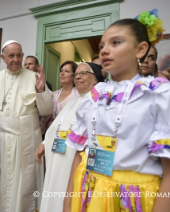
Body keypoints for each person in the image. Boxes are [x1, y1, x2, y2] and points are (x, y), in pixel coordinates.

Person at [64, 12, 170, 212]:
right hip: (88, 191)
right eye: (102, 46)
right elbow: (78, 156)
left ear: (140, 49)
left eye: (116, 42)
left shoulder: (159, 93)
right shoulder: (96, 94)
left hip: (132, 200)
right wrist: (68, 204)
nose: (105, 50)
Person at [0, 40, 53, 212]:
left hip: (27, 138)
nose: (16, 59)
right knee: (1, 179)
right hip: (0, 140)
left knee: (25, 182)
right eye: (11, 56)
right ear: (3, 57)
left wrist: (41, 90)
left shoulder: (34, 77)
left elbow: (47, 110)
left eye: (19, 55)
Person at [35, 62, 104, 212]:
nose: (78, 76)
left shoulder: (98, 102)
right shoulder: (74, 101)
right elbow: (57, 127)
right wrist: (45, 144)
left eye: (83, 73)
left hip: (74, 162)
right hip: (56, 159)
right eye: (77, 74)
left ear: (96, 79)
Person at [40, 61, 79, 136]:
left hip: (68, 134)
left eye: (67, 71)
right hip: (49, 133)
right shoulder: (53, 94)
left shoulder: (77, 95)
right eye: (61, 71)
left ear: (73, 76)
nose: (62, 73)